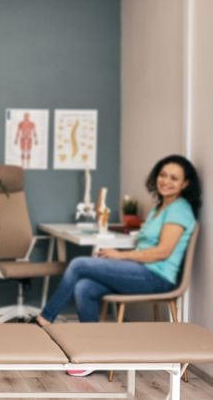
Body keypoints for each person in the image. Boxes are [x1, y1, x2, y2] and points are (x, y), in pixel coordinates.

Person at [36, 155, 201, 376]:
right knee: (84, 287)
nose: (166, 181)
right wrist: (117, 255)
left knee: (78, 264)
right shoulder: (160, 207)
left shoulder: (179, 209)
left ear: (185, 184)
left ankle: (45, 319)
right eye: (163, 175)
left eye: (174, 178)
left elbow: (162, 252)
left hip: (157, 277)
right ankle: (93, 353)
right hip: (143, 272)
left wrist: (120, 256)